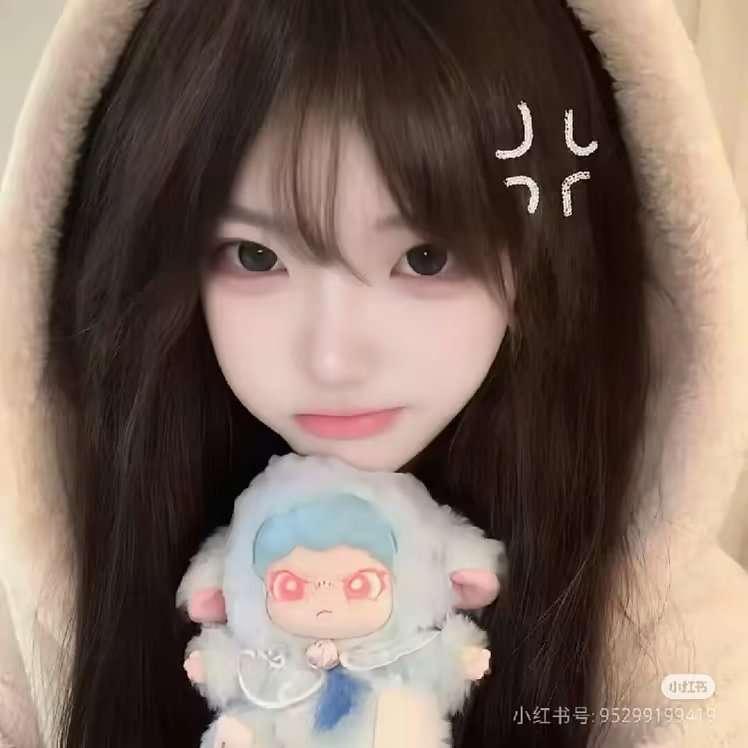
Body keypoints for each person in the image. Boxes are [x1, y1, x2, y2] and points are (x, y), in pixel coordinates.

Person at [0, 1, 746, 747]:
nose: (333, 361)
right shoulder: (44, 598)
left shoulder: (685, 644)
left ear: (544, 263)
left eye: (426, 257)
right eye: (256, 256)